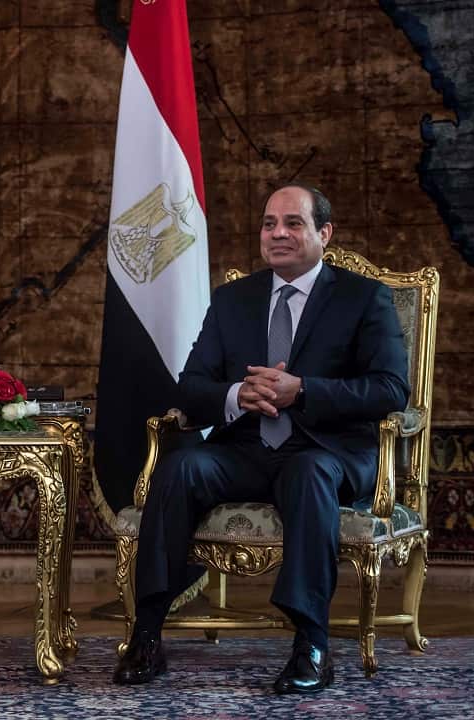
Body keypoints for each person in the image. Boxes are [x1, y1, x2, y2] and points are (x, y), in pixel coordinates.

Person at [112, 183, 409, 694]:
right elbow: (192, 387)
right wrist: (234, 395)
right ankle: (147, 633)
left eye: (293, 223)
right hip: (246, 449)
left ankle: (311, 644)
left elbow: (391, 389)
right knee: (182, 467)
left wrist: (304, 392)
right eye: (270, 224)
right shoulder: (233, 299)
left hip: (326, 452)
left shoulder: (364, 298)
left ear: (324, 233)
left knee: (308, 472)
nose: (278, 234)